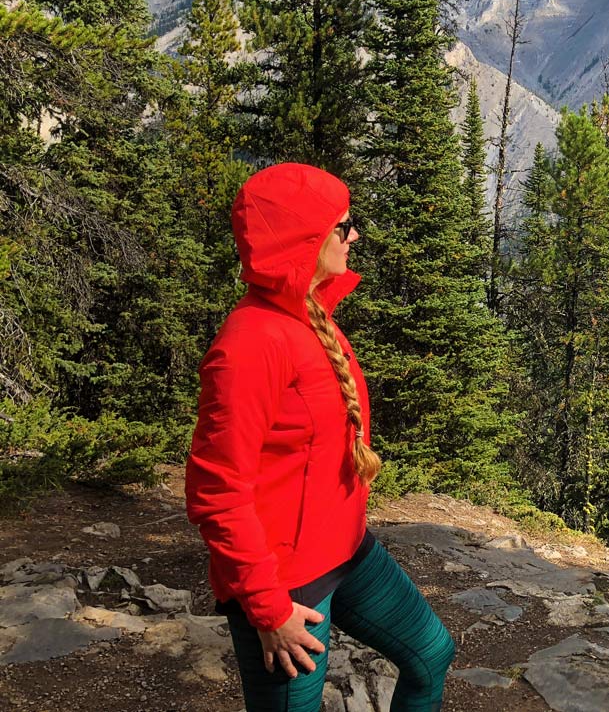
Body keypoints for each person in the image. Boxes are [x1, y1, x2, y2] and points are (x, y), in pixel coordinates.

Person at [185, 162, 456, 712]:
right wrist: (268, 610)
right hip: (285, 586)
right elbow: (217, 491)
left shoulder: (312, 316)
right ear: (303, 240)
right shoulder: (250, 345)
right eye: (343, 225)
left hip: (347, 552)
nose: (354, 235)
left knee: (431, 654)